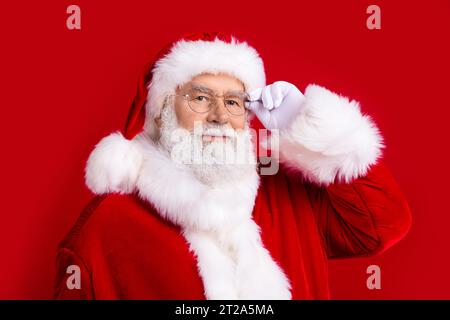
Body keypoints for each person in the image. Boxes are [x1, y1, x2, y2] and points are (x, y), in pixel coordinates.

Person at [54, 31, 411, 300]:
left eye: (234, 102)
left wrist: (314, 133)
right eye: (200, 98)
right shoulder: (107, 226)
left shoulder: (289, 193)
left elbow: (380, 227)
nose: (220, 116)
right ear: (161, 113)